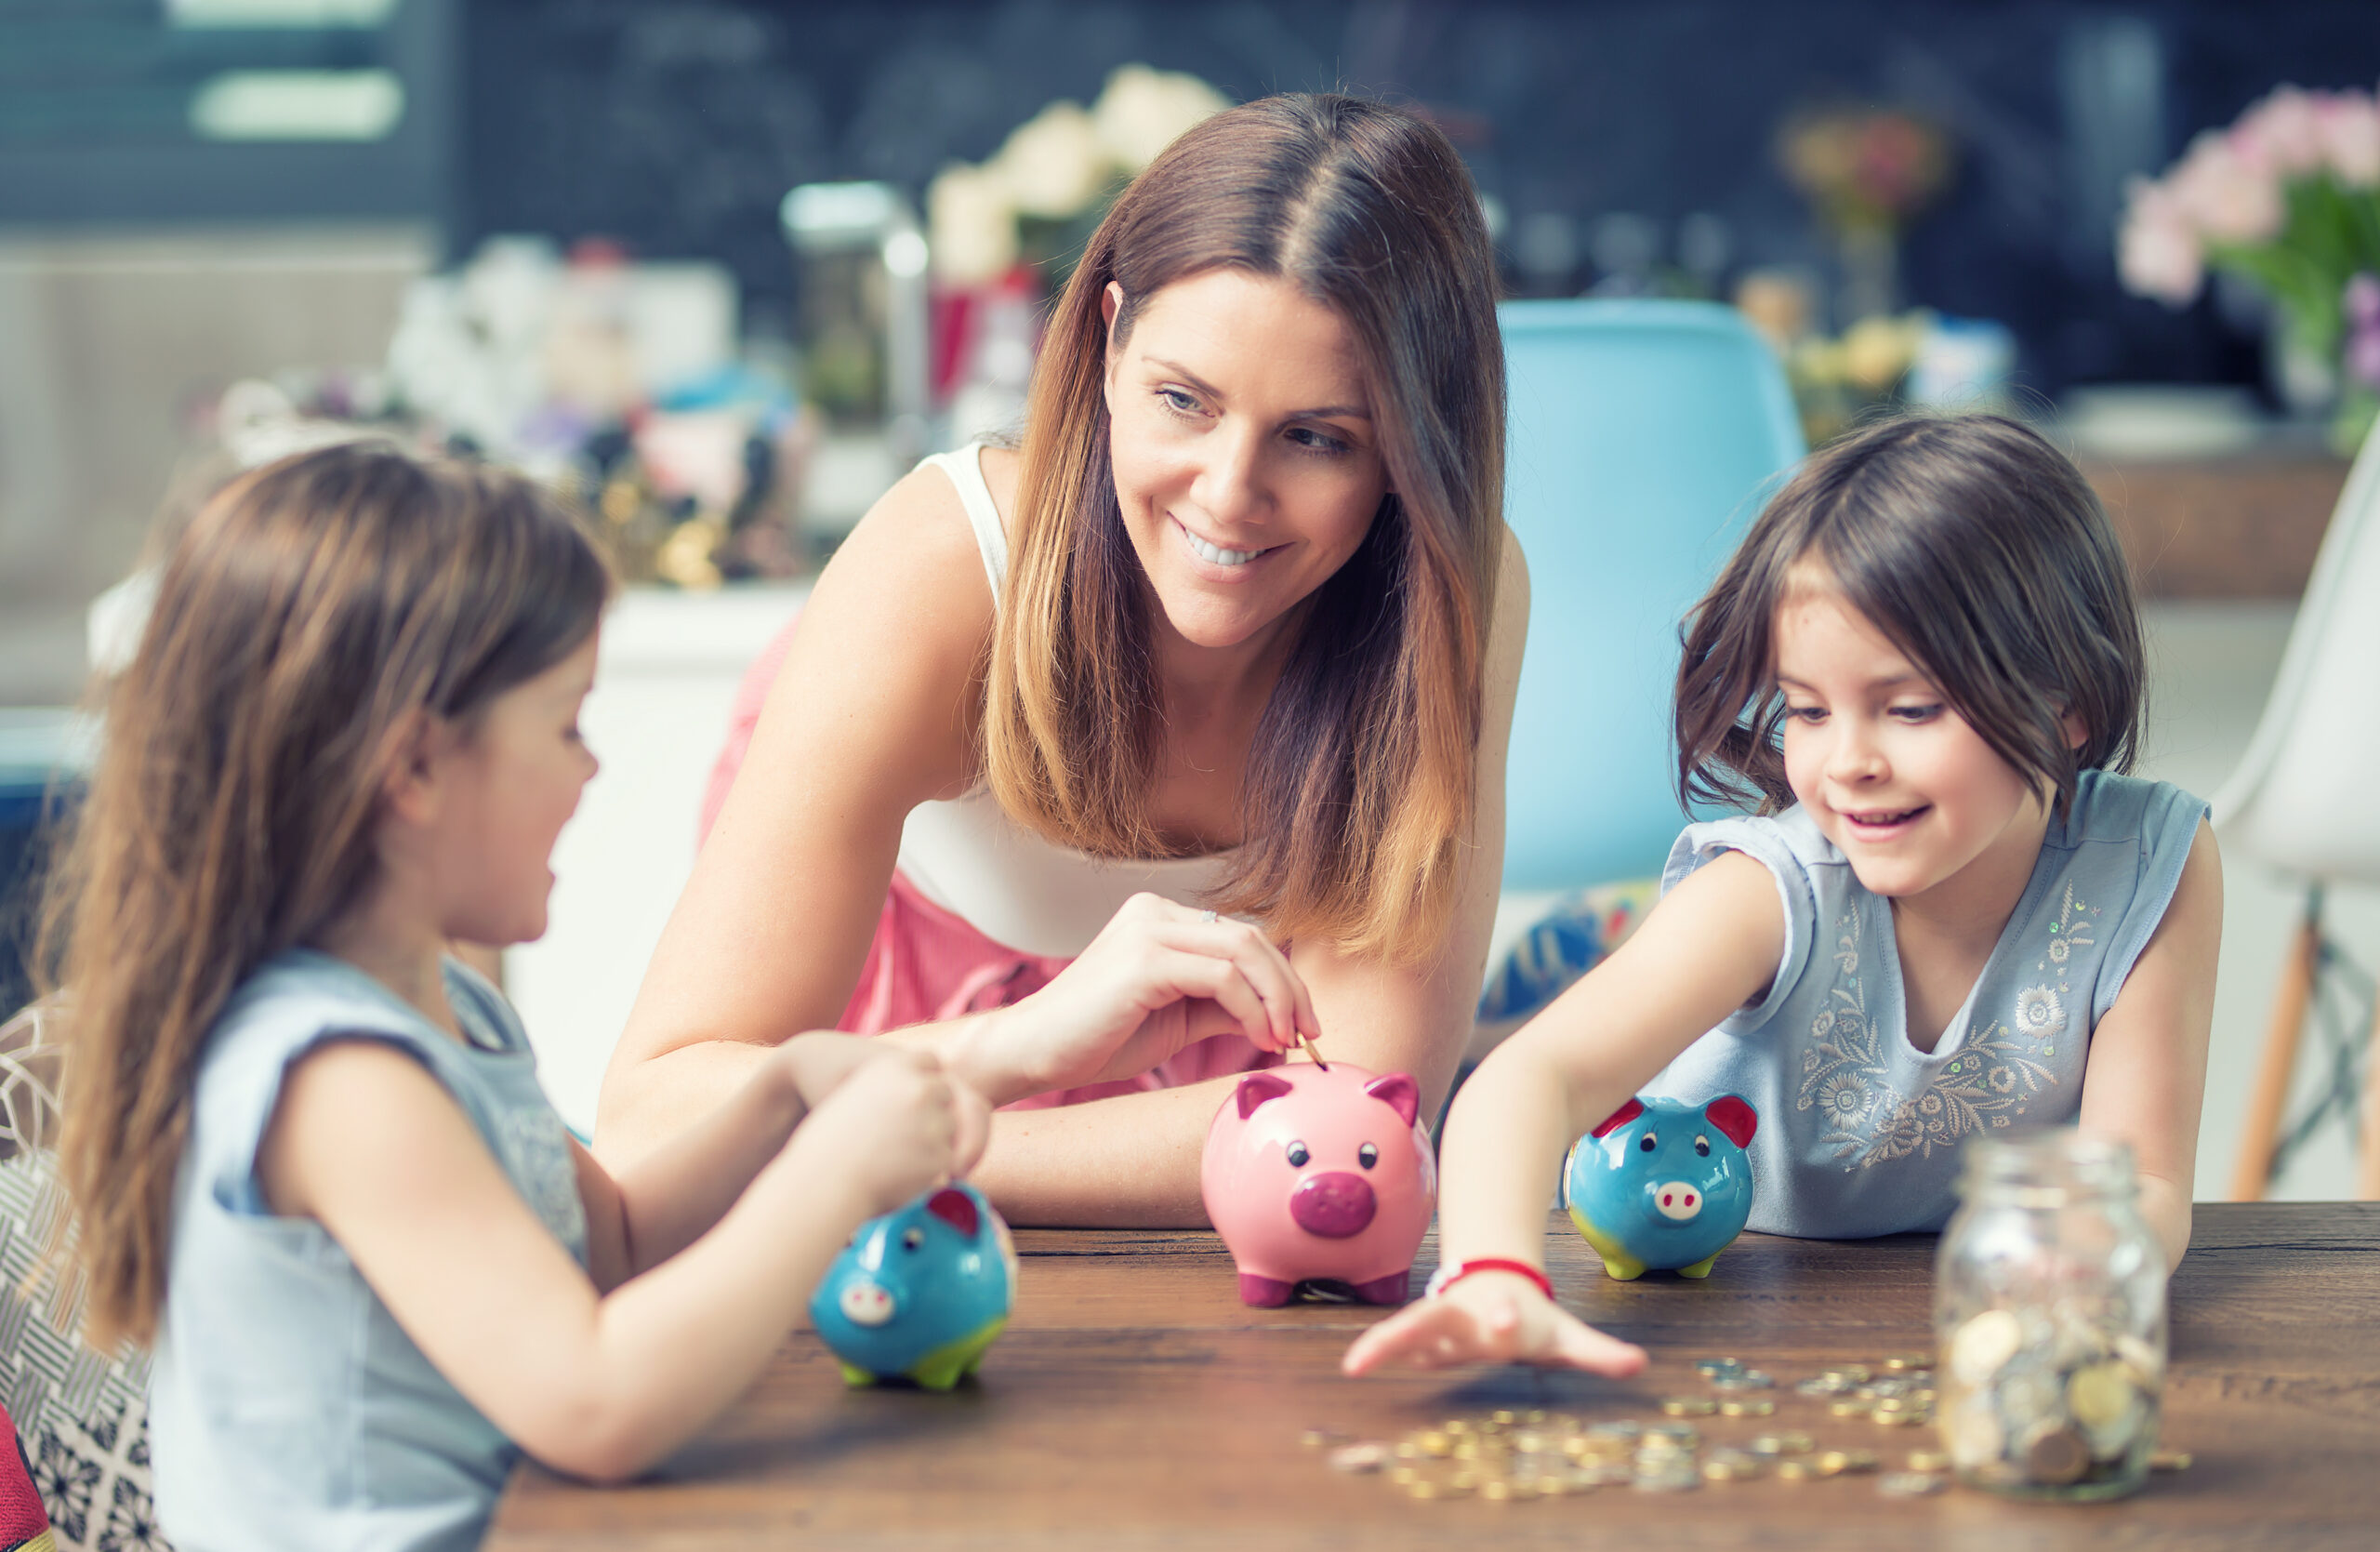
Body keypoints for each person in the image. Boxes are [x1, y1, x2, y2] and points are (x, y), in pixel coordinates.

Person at [36, 444, 1291, 1549]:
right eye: (565, 725)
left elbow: (617, 1239)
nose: (593, 769)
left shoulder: (444, 1016)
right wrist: (832, 1176)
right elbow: (597, 1403)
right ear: (416, 766)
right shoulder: (340, 1082)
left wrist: (841, 1086)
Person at [599, 92, 1526, 1226]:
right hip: (930, 1041)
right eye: (1182, 401)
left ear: (1414, 449)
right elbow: (656, 1117)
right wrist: (1005, 1066)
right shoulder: (941, 565)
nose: (1228, 498)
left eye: (1318, 437)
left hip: (936, 1123)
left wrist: (882, 1148)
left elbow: (1363, 1116)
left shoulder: (1446, 590)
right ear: (1103, 337)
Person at [1342, 414, 2220, 1377]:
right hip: (1701, 1307)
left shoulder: (2151, 858)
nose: (1847, 763)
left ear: (2068, 704)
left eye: (1912, 707)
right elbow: (1527, 1080)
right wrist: (1493, 1275)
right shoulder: (1771, 886)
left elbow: (2140, 1178)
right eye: (1805, 708)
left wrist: (2069, 1292)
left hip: (1937, 1328)